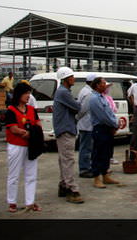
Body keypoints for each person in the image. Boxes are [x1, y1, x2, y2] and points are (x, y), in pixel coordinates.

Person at [5, 82, 42, 212]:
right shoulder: (11, 110)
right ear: (19, 94)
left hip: (30, 145)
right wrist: (26, 133)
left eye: (29, 93)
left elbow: (38, 124)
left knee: (31, 174)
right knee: (14, 175)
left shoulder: (31, 110)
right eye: (26, 93)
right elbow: (13, 129)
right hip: (16, 145)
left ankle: (30, 202)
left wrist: (30, 133)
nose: (28, 96)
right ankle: (12, 202)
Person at [53, 67, 84, 204]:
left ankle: (63, 185)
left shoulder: (62, 92)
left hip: (64, 128)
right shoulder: (64, 93)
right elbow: (77, 107)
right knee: (68, 159)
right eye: (72, 77)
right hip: (66, 129)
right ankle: (72, 189)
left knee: (64, 159)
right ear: (66, 79)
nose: (74, 79)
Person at [88, 77, 120, 189]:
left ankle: (105, 175)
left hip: (107, 128)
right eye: (103, 83)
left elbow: (109, 112)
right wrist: (115, 124)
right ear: (97, 85)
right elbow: (103, 116)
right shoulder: (94, 99)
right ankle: (96, 177)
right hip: (100, 128)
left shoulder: (102, 98)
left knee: (107, 153)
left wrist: (115, 123)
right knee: (98, 153)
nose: (105, 85)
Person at [76, 73, 96, 178]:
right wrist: (77, 118)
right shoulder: (88, 93)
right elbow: (83, 109)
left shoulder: (85, 90)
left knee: (87, 147)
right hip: (86, 124)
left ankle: (87, 166)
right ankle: (84, 169)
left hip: (85, 123)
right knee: (86, 147)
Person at [127, 80, 137, 151]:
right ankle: (133, 154)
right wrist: (134, 106)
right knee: (136, 133)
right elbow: (129, 95)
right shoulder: (135, 86)